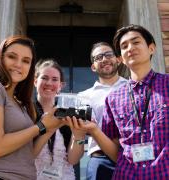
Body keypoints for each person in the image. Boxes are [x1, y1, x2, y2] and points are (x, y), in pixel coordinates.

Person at [69, 24, 169, 179]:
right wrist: (88, 132)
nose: (130, 48)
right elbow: (114, 148)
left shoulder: (166, 84)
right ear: (122, 58)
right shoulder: (111, 99)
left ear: (151, 48)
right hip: (121, 169)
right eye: (124, 46)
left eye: (136, 42)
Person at [0, 35, 63, 180]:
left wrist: (51, 127)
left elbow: (29, 153)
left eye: (26, 61)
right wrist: (40, 126)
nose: (18, 64)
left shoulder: (22, 103)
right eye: (12, 57)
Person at [78, 42, 127, 180]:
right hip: (100, 161)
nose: (104, 59)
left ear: (118, 59)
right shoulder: (83, 96)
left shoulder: (133, 87)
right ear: (93, 67)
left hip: (133, 157)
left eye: (108, 54)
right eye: (98, 57)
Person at [34, 59, 86, 180]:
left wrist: (79, 136)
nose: (49, 83)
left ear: (61, 85)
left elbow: (73, 160)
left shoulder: (67, 114)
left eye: (54, 79)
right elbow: (28, 155)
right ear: (35, 81)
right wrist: (50, 127)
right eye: (44, 78)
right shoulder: (26, 112)